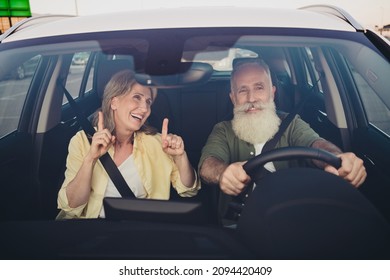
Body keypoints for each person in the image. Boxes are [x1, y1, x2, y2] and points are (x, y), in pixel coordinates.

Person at [198, 58, 366, 225]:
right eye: (243, 90)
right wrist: (223, 173)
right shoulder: (222, 130)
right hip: (239, 224)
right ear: (233, 98)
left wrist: (339, 158)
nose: (252, 98)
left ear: (272, 92)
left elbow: (315, 143)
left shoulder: (291, 124)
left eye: (259, 87)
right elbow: (207, 165)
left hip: (295, 218)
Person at [57, 69, 200, 219]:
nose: (145, 108)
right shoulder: (82, 141)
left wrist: (181, 157)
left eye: (148, 102)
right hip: (93, 231)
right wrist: (90, 159)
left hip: (139, 230)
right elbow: (70, 206)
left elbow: (189, 190)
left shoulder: (158, 143)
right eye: (137, 97)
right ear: (114, 102)